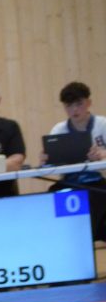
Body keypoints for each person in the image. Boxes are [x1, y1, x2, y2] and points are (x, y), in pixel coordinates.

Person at [42, 81, 106, 242]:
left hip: (97, 181)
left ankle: (90, 237)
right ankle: (67, 241)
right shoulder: (59, 129)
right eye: (69, 106)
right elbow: (51, 164)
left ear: (88, 102)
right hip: (69, 182)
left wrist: (102, 155)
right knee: (51, 197)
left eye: (79, 104)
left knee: (98, 196)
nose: (74, 110)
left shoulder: (102, 124)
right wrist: (47, 159)